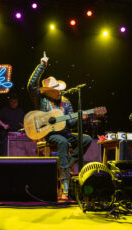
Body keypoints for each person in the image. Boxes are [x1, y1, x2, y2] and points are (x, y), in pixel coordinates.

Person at [27, 51, 92, 195]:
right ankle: (64, 179)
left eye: (59, 89)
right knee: (62, 142)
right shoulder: (42, 100)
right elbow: (31, 86)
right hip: (49, 133)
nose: (59, 92)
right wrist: (41, 66)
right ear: (49, 91)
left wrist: (81, 119)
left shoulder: (66, 102)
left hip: (65, 133)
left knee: (86, 139)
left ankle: (67, 166)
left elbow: (71, 122)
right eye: (55, 90)